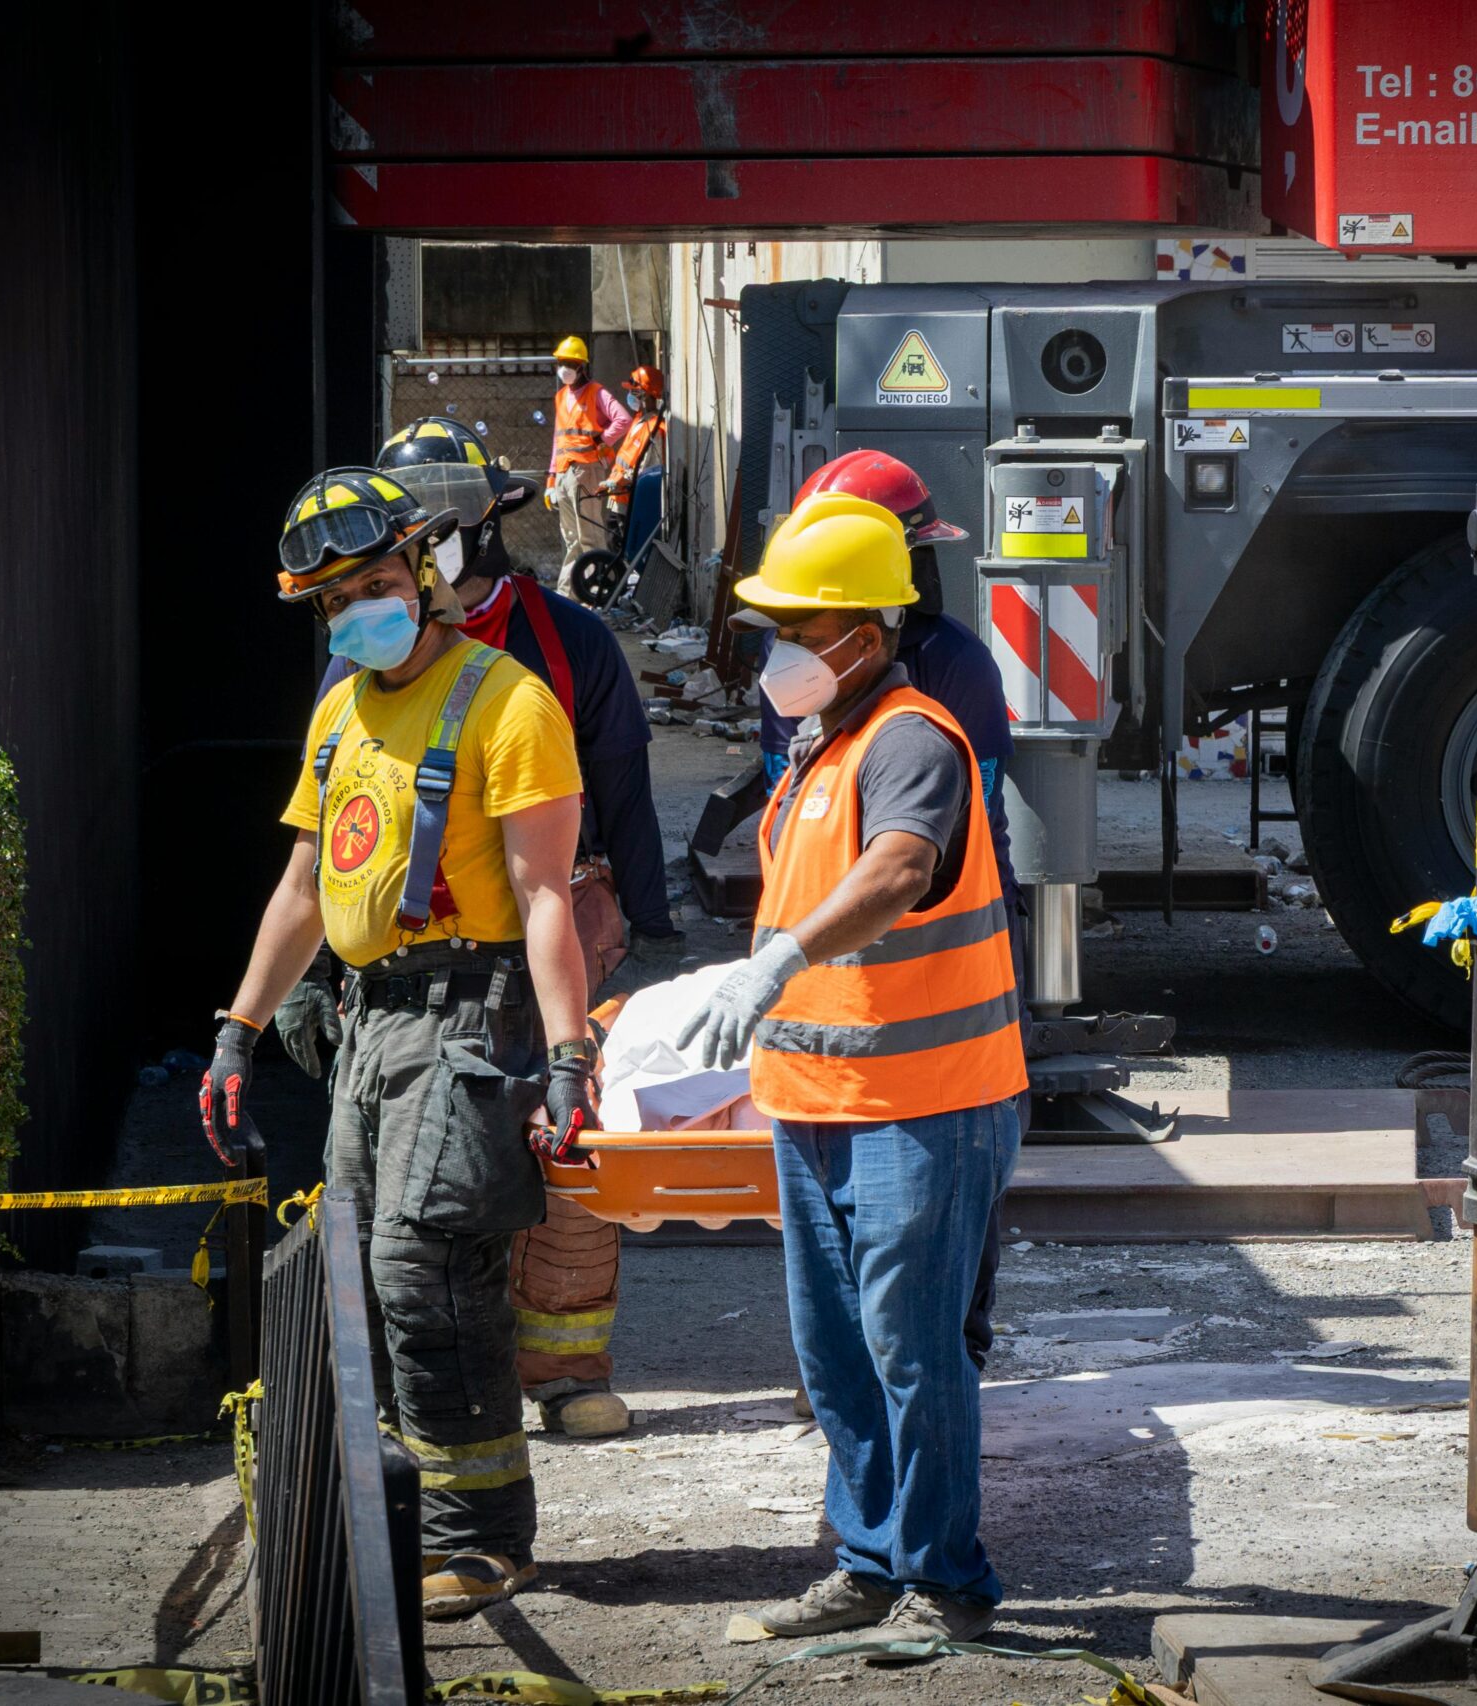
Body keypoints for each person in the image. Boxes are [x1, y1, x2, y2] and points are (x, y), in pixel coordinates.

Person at [201, 466, 601, 1621]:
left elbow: (543, 899)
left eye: (374, 584)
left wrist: (569, 1055)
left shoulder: (509, 703)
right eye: (333, 600)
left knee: (424, 1267)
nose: (357, 611)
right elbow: (299, 887)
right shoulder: (340, 711)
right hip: (373, 1025)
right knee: (365, 1280)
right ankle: (412, 1516)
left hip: (471, 1021)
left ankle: (481, 1536)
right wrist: (237, 1030)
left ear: (425, 576)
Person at [278, 416, 680, 1440]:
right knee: (434, 1194)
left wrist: (653, 919)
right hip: (425, 967)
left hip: (561, 922)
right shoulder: (356, 673)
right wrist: (309, 972)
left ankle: (566, 1362)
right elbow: (338, 838)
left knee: (568, 1150)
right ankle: (434, 1387)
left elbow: (624, 786)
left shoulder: (564, 644)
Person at [680, 493, 1027, 1652]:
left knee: (914, 1350)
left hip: (925, 1103)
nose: (775, 649)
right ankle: (870, 1559)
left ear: (864, 635)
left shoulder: (911, 739)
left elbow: (894, 871)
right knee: (839, 1355)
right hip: (821, 1098)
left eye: (795, 627)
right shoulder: (820, 741)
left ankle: (945, 1579)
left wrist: (774, 959)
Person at [543, 334, 632, 590]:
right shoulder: (561, 397)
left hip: (587, 471)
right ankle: (568, 594)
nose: (565, 369)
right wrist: (551, 479)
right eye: (561, 363)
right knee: (572, 540)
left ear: (582, 366)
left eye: (570, 363)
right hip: (564, 473)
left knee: (589, 537)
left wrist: (602, 439)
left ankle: (597, 591)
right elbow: (557, 440)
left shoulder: (597, 392)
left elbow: (622, 420)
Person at [601, 363, 667, 543]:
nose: (630, 395)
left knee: (624, 549)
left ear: (645, 394)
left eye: (634, 391)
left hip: (632, 502)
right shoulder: (640, 420)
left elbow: (649, 471)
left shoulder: (654, 428)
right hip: (619, 499)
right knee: (614, 545)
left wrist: (623, 481)